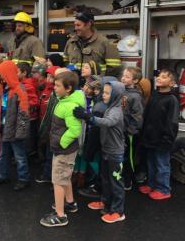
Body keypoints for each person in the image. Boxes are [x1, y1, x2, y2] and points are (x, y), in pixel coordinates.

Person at [74, 81, 126, 224]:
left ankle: (118, 211)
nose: (104, 95)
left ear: (116, 95)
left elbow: (108, 122)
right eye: (104, 92)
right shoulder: (110, 107)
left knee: (116, 182)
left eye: (107, 93)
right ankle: (106, 202)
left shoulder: (116, 110)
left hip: (115, 153)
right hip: (106, 150)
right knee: (105, 179)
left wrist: (88, 117)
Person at [40, 71, 85, 228]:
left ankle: (60, 215)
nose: (54, 88)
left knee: (58, 181)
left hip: (63, 150)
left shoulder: (70, 105)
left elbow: (75, 130)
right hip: (62, 149)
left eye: (58, 86)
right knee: (64, 177)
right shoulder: (64, 100)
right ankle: (70, 203)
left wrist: (60, 143)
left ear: (69, 88)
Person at [0, 60, 31, 191]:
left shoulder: (19, 90)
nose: (1, 77)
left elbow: (23, 114)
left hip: (14, 131)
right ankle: (3, 175)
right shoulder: (0, 89)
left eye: (2, 74)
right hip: (3, 129)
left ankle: (24, 179)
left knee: (19, 156)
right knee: (3, 154)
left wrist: (20, 132)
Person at [138, 69, 179, 200]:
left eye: (164, 77)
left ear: (172, 83)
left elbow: (172, 122)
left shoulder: (172, 99)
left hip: (162, 139)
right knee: (151, 162)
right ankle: (151, 184)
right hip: (150, 137)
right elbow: (147, 116)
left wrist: (168, 139)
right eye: (159, 76)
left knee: (162, 164)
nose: (159, 78)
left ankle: (164, 189)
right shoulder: (154, 95)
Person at [63, 11, 121, 76]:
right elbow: (65, 62)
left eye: (78, 25)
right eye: (75, 25)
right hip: (74, 84)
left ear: (88, 25)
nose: (75, 28)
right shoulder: (71, 42)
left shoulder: (104, 42)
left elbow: (114, 68)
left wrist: (96, 80)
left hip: (95, 84)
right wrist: (73, 73)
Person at [120, 67, 145, 191]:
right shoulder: (121, 91)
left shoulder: (135, 97)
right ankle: (120, 177)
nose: (123, 78)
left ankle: (127, 180)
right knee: (120, 156)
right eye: (123, 75)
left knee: (128, 157)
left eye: (127, 76)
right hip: (119, 131)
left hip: (128, 134)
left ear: (135, 80)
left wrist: (131, 131)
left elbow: (138, 116)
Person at [17, 62, 40, 156]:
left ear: (24, 73)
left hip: (29, 118)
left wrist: (20, 104)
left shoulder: (27, 85)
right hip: (27, 117)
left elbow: (34, 102)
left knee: (27, 141)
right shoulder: (22, 84)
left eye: (17, 72)